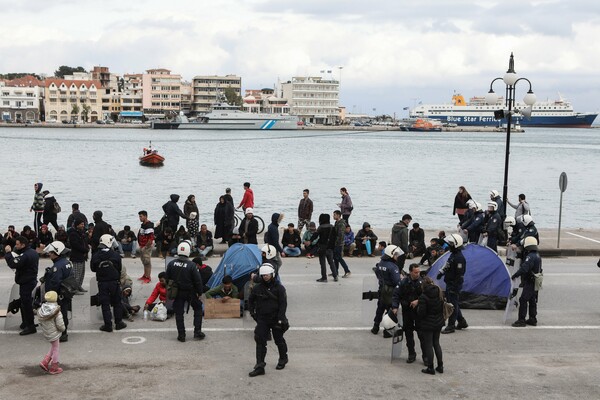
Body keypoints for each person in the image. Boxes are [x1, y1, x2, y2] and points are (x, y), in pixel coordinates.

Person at [248, 264, 289, 377]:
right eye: (263, 275)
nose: (265, 277)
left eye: (267, 275)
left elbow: (283, 304)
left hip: (276, 319)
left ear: (272, 274)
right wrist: (253, 314)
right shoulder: (257, 288)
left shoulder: (279, 288)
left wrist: (281, 318)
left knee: (278, 340)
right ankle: (259, 366)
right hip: (262, 319)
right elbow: (250, 301)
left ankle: (283, 358)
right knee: (260, 341)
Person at [166, 241, 205, 342]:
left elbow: (167, 278)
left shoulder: (171, 263)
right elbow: (198, 280)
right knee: (198, 308)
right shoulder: (191, 265)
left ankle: (181, 335)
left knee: (179, 313)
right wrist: (200, 293)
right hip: (190, 292)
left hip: (177, 292)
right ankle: (197, 331)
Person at [90, 234, 127, 332]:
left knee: (105, 303)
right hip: (114, 282)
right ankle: (118, 323)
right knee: (117, 302)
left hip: (102, 282)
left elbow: (93, 269)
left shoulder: (96, 255)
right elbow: (119, 267)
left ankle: (108, 325)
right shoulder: (115, 255)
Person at [4, 235, 39, 335]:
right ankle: (26, 323)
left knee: (26, 304)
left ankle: (30, 326)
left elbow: (13, 264)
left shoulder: (26, 255)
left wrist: (8, 253)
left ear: (23, 245)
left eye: (18, 244)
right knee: (24, 303)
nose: (16, 246)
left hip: (26, 282)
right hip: (31, 280)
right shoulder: (32, 252)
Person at [392, 263, 424, 363]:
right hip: (407, 311)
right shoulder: (403, 282)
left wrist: (418, 301)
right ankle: (411, 354)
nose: (417, 274)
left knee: (422, 335)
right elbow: (396, 295)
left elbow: (428, 296)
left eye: (418, 272)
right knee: (408, 334)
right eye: (415, 272)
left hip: (419, 312)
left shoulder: (422, 282)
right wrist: (395, 307)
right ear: (410, 272)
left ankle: (426, 356)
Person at [42, 241, 73, 342]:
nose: (49, 254)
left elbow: (55, 283)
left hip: (59, 294)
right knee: (64, 313)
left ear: (57, 253)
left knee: (60, 314)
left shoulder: (57, 267)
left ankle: (63, 334)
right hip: (66, 293)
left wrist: (50, 295)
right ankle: (63, 332)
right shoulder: (67, 262)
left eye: (51, 252)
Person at [437, 234, 468, 334]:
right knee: (454, 303)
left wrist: (455, 286)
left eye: (450, 244)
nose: (448, 245)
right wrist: (441, 272)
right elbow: (448, 265)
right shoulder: (453, 255)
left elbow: (460, 275)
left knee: (451, 305)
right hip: (450, 283)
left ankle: (451, 326)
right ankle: (462, 321)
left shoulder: (459, 258)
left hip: (454, 284)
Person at [371, 245, 402, 337]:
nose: (397, 256)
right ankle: (387, 331)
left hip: (382, 289)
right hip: (391, 291)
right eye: (396, 254)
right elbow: (397, 281)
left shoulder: (380, 263)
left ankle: (375, 327)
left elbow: (377, 273)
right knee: (391, 311)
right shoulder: (393, 267)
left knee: (380, 309)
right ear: (391, 254)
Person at [511, 237, 542, 327]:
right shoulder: (537, 255)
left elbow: (524, 268)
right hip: (535, 280)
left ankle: (521, 320)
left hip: (530, 280)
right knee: (532, 299)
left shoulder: (530, 257)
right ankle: (533, 319)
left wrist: (515, 275)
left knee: (523, 299)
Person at [417, 277, 444, 375]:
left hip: (428, 324)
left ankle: (430, 367)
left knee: (428, 345)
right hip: (438, 322)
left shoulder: (423, 296)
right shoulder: (439, 292)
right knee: (436, 343)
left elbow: (422, 313)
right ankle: (440, 366)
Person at [37, 291, 66, 375]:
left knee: (54, 346)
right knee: (56, 348)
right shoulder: (56, 310)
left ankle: (45, 361)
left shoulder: (42, 309)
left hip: (47, 332)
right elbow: (60, 324)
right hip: (54, 333)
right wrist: (63, 329)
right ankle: (54, 367)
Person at [68, 218, 89, 293]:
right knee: (77, 273)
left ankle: (79, 286)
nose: (83, 226)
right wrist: (84, 249)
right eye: (81, 224)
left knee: (82, 273)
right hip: (76, 256)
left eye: (83, 224)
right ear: (77, 225)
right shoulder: (73, 234)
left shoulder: (82, 233)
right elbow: (75, 245)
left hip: (82, 256)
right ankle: (74, 288)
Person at [316, 213, 336, 282]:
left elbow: (315, 235)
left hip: (322, 247)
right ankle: (335, 276)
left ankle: (324, 278)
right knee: (331, 262)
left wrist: (310, 241)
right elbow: (334, 237)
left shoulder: (321, 227)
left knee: (322, 263)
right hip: (330, 247)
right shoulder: (332, 226)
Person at [332, 210, 351, 278]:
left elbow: (340, 235)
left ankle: (347, 270)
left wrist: (337, 243)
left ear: (338, 215)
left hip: (339, 244)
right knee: (335, 258)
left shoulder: (341, 224)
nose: (333, 216)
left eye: (334, 215)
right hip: (336, 243)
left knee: (339, 257)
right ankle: (335, 271)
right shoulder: (336, 222)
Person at [137, 210, 155, 283]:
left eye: (141, 216)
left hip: (146, 247)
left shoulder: (149, 226)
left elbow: (150, 239)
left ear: (145, 216)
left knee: (147, 262)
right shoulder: (143, 225)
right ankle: (145, 275)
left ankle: (148, 277)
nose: (140, 218)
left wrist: (145, 247)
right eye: (139, 216)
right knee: (144, 261)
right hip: (142, 246)